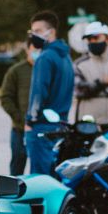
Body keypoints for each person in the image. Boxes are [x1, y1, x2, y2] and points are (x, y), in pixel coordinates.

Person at [25, 10, 74, 175]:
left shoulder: (45, 58)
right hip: (61, 125)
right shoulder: (66, 57)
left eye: (38, 31)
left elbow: (38, 94)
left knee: (40, 179)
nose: (33, 35)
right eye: (32, 31)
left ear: (51, 32)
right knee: (55, 176)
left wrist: (30, 121)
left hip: (42, 127)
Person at [0, 39, 37, 175]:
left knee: (40, 169)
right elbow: (6, 98)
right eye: (34, 49)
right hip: (20, 129)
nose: (37, 52)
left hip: (41, 129)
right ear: (27, 50)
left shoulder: (47, 70)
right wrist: (20, 119)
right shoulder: (16, 71)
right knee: (17, 166)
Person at [73, 21, 108, 132]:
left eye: (96, 38)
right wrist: (103, 82)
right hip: (88, 127)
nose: (92, 42)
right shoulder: (79, 64)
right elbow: (78, 90)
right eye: (89, 39)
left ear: (107, 39)